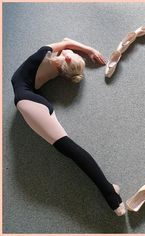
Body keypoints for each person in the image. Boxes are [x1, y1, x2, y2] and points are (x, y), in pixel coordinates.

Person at [11, 37, 126, 216]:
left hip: (28, 101)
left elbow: (65, 42)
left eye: (70, 54)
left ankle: (111, 196)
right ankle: (110, 189)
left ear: (65, 59)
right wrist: (86, 51)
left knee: (71, 150)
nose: (69, 51)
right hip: (30, 101)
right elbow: (66, 44)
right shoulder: (57, 65)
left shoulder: (43, 53)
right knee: (69, 150)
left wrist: (89, 50)